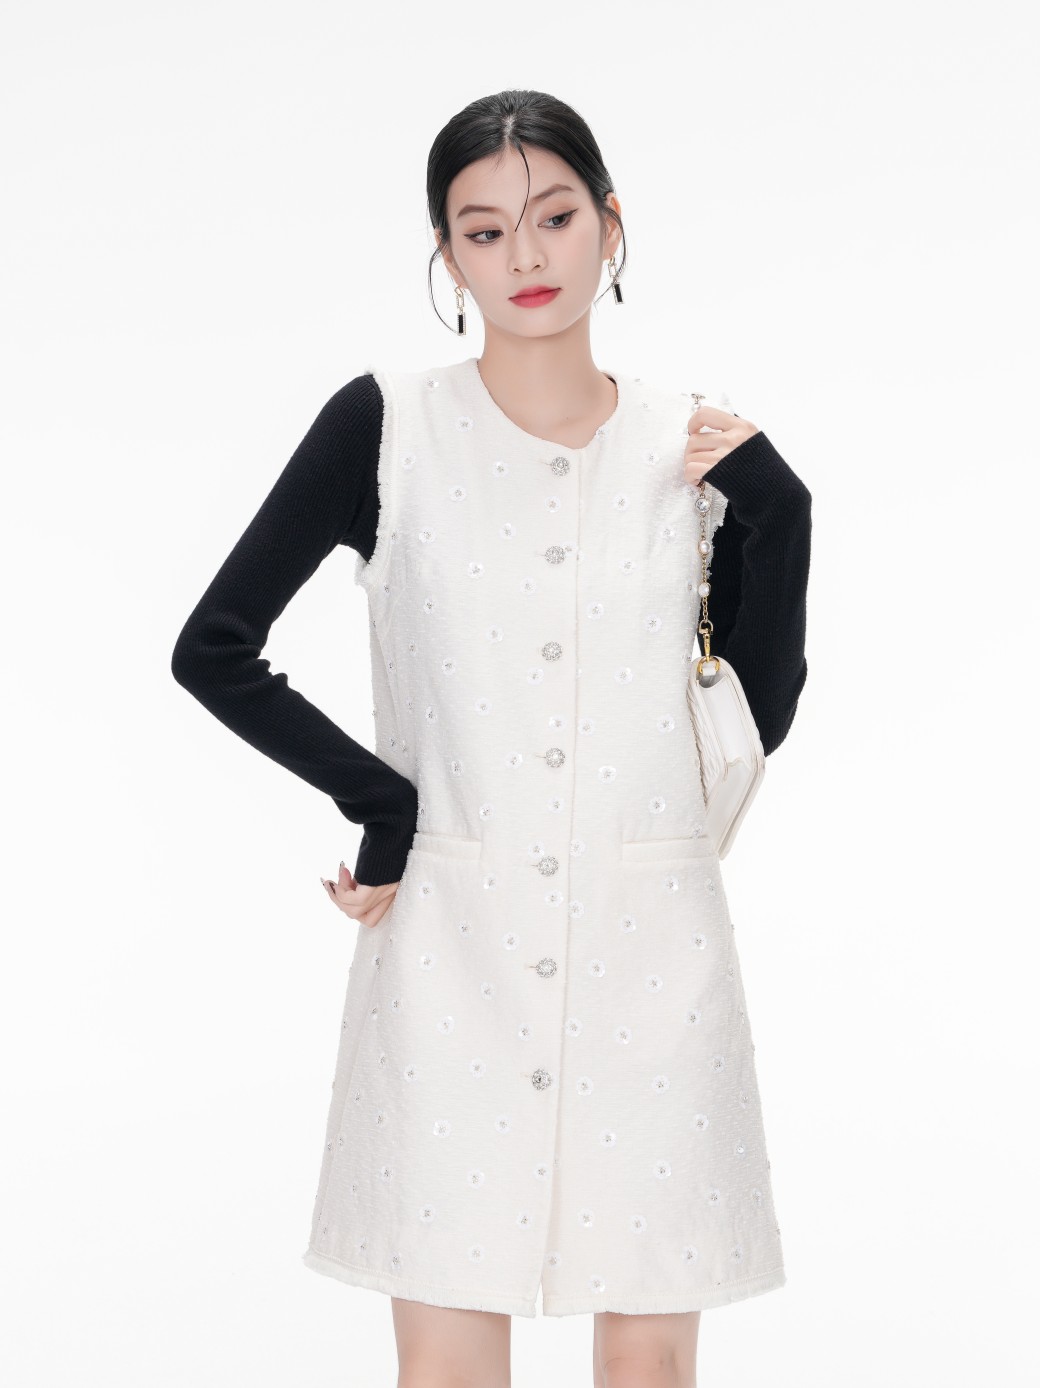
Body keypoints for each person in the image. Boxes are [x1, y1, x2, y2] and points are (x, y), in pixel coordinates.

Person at [171, 88, 812, 1388]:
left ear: (611, 224)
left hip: (654, 960)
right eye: (483, 230)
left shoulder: (694, 445)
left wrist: (780, 516)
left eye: (555, 216)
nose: (525, 255)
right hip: (448, 958)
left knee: (650, 1363)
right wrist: (386, 803)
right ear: (445, 255)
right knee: (449, 1363)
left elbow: (750, 726)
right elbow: (214, 647)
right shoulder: (386, 426)